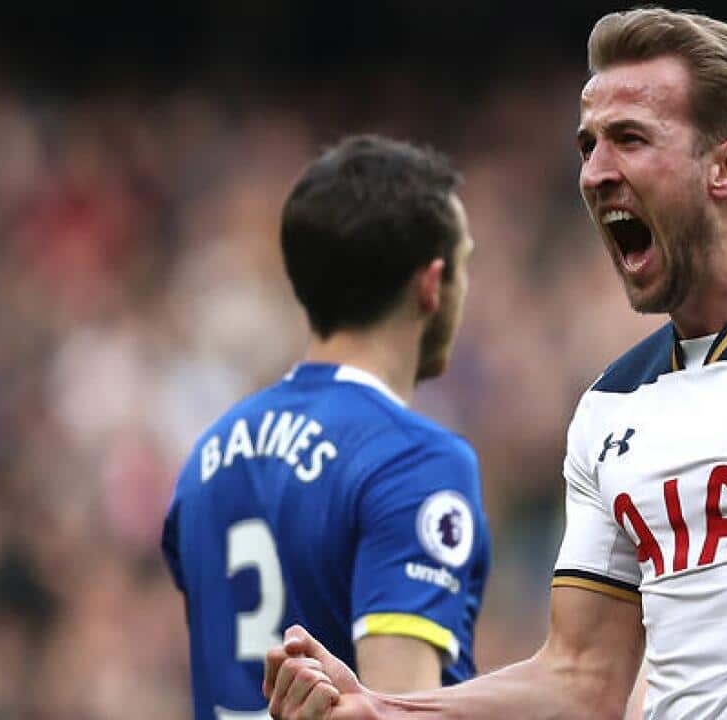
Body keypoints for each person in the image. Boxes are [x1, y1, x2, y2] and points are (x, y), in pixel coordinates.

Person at [265, 9, 727, 719]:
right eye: (588, 145)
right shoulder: (612, 406)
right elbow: (581, 677)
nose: (594, 172)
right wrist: (383, 708)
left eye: (629, 139)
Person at [161, 135, 488, 720]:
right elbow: (401, 708)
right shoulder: (414, 460)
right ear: (431, 284)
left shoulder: (207, 455)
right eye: (465, 263)